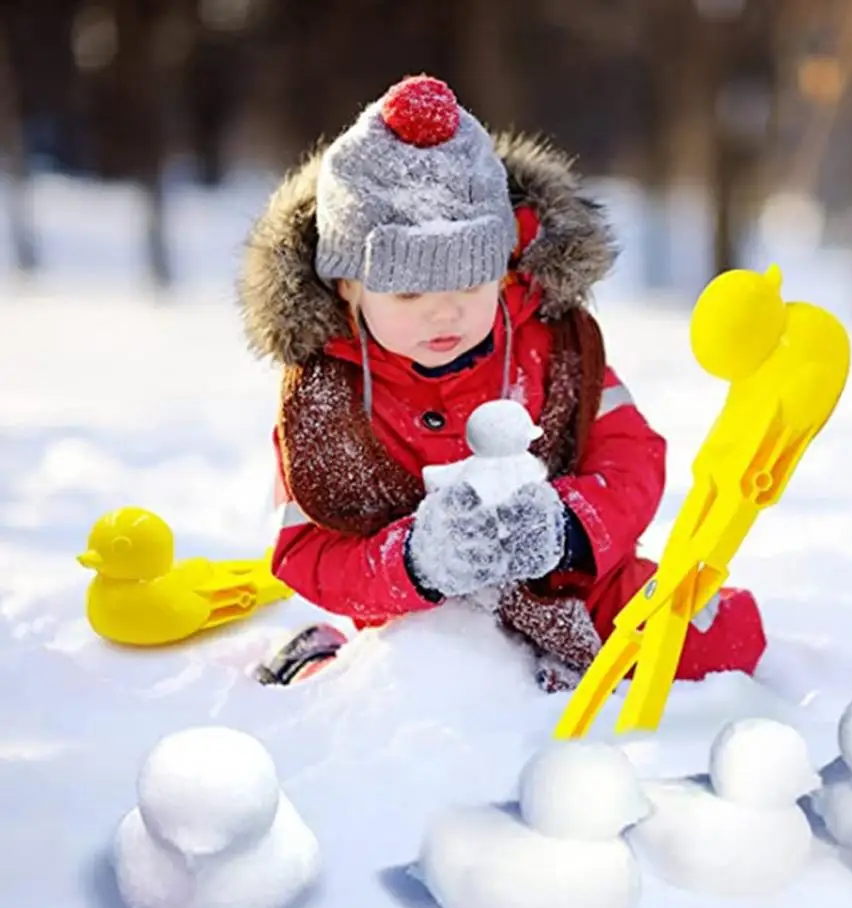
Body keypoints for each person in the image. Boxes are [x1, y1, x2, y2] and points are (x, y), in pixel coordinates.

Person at [238, 73, 766, 691]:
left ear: (505, 264)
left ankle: (559, 669)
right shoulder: (329, 395)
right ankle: (323, 660)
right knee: (408, 683)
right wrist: (416, 562)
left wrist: (569, 527)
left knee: (719, 639)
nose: (445, 312)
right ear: (346, 286)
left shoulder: (548, 341)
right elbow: (303, 551)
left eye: (470, 284)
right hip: (410, 612)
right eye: (408, 292)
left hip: (565, 584)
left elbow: (633, 458)